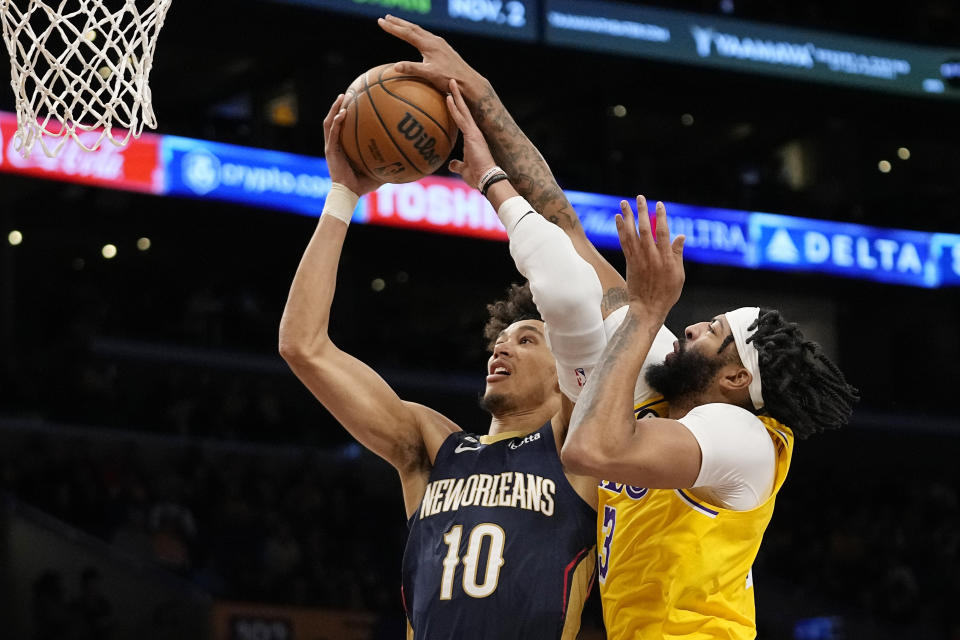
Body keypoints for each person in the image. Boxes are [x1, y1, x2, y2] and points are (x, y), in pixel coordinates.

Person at [279, 80, 605, 638]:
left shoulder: (576, 444)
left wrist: (493, 177)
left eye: (528, 340)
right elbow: (302, 345)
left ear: (565, 368)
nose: (502, 345)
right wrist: (343, 196)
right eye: (502, 339)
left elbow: (571, 279)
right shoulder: (433, 447)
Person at [559, 197, 860, 639]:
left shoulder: (745, 437)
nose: (691, 327)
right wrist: (495, 179)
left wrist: (646, 312)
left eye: (713, 330)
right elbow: (568, 236)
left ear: (738, 377)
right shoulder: (672, 394)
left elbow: (588, 449)